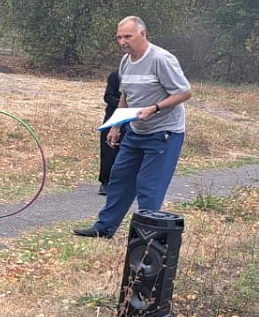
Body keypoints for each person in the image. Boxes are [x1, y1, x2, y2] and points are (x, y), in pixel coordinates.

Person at [74, 16, 192, 238]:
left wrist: (155, 108)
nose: (122, 42)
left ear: (142, 34)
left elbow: (184, 92)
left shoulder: (161, 59)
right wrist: (116, 126)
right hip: (136, 130)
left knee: (149, 185)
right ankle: (104, 228)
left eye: (127, 36)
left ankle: (145, 236)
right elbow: (125, 95)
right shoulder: (125, 62)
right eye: (119, 37)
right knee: (119, 178)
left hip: (164, 132)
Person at [97, 68, 122, 195]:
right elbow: (108, 97)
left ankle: (122, 183)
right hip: (112, 117)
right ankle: (105, 183)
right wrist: (123, 103)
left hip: (133, 118)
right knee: (108, 150)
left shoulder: (142, 78)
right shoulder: (116, 75)